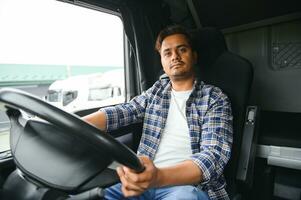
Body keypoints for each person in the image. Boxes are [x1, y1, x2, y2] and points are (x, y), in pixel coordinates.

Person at [84, 25, 233, 200]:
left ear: (194, 56)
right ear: (162, 61)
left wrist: (157, 177)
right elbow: (123, 111)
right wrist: (76, 123)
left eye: (182, 50)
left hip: (186, 188)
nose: (175, 57)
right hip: (142, 183)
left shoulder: (214, 98)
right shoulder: (156, 91)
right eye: (167, 53)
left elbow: (213, 157)